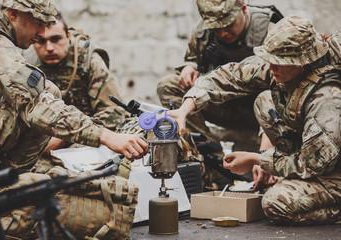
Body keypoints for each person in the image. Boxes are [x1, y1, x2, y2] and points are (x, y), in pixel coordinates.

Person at [0, 0, 147, 238]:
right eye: (38, 24)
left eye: (48, 27)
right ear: (14, 14)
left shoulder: (86, 60)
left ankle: (4, 192)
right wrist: (105, 136)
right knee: (45, 98)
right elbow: (37, 104)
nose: (41, 35)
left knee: (48, 93)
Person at [169, 15, 341, 225]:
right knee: (265, 101)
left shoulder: (326, 99)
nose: (270, 67)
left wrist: (258, 160)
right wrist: (185, 109)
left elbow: (312, 164)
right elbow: (230, 77)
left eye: (277, 62)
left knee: (276, 203)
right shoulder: (283, 66)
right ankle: (289, 178)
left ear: (301, 63)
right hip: (316, 154)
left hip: (328, 167)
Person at [157, 0, 282, 151]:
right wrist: (190, 67)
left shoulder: (272, 32)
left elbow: (284, 92)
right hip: (223, 105)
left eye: (228, 25)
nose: (223, 33)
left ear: (243, 8)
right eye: (216, 28)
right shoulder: (203, 33)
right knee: (169, 86)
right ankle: (208, 149)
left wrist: (264, 155)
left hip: (261, 111)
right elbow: (194, 60)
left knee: (273, 94)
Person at [23, 11, 126, 155]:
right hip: (41, 144)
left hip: (84, 141)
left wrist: (64, 138)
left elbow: (114, 113)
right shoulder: (26, 64)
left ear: (68, 36)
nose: (49, 48)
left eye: (56, 39)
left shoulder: (89, 61)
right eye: (41, 41)